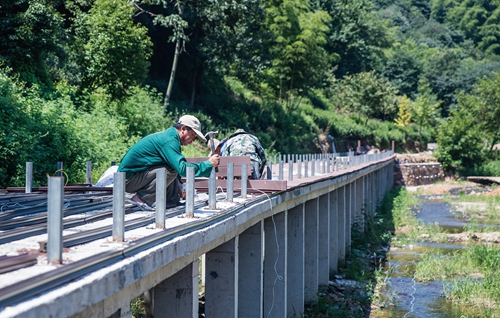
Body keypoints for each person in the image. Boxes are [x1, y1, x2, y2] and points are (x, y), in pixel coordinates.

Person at [118, 115, 220, 210]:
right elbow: (183, 169)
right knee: (171, 169)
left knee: (171, 168)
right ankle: (142, 198)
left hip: (135, 177)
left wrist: (179, 185)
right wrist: (208, 164)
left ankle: (169, 200)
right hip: (126, 180)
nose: (193, 140)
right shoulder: (169, 140)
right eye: (193, 135)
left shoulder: (171, 138)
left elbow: (176, 166)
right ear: (183, 129)